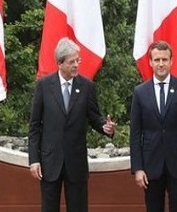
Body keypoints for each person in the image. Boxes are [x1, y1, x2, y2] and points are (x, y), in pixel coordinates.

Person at [28, 37, 116, 212]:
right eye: (71, 62)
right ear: (60, 63)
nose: (76, 65)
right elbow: (34, 126)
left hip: (76, 163)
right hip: (50, 162)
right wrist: (34, 160)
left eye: (78, 60)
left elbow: (94, 117)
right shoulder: (44, 86)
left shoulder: (86, 86)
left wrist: (105, 128)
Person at [130, 41, 177, 212]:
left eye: (164, 59)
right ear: (150, 62)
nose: (161, 64)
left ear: (171, 61)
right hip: (151, 166)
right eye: (157, 60)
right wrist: (138, 168)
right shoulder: (140, 92)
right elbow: (135, 134)